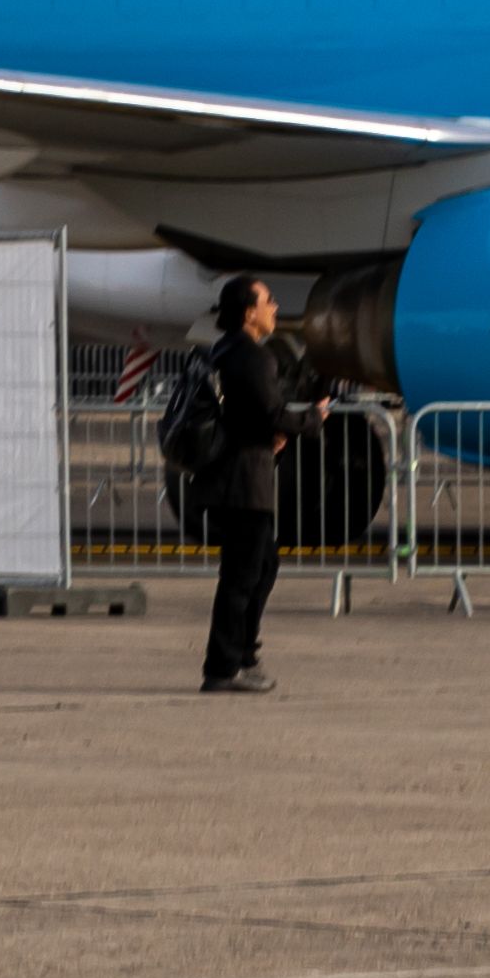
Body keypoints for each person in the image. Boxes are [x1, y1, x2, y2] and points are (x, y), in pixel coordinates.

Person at [175, 273, 311, 695]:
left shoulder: (225, 351)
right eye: (268, 301)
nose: (274, 308)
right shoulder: (252, 357)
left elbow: (246, 416)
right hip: (242, 485)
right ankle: (223, 667)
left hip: (232, 480)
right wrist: (313, 419)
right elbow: (271, 413)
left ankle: (243, 656)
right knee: (242, 576)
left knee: (261, 566)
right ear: (249, 311)